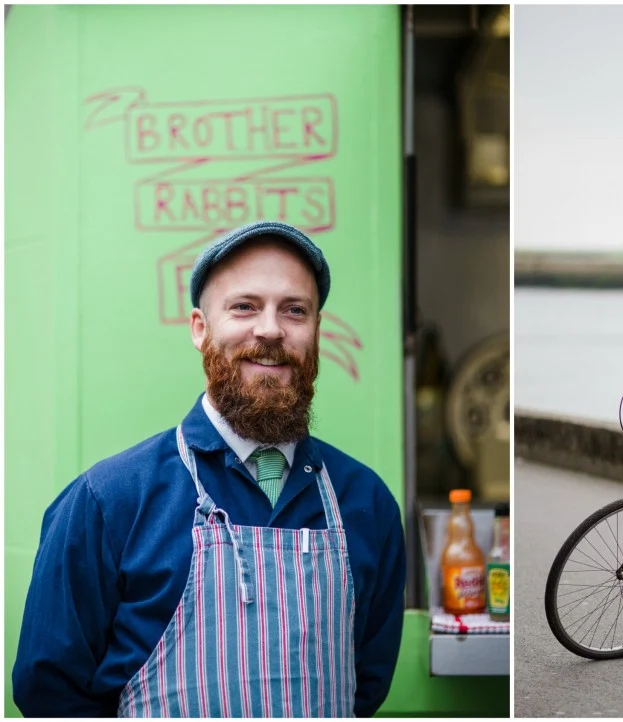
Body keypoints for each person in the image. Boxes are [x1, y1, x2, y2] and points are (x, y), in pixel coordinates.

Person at [13, 221, 407, 717]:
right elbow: (47, 693)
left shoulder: (366, 502)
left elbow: (364, 687)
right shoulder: (107, 500)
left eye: (295, 310)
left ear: (316, 332)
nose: (270, 329)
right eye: (244, 306)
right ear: (200, 329)